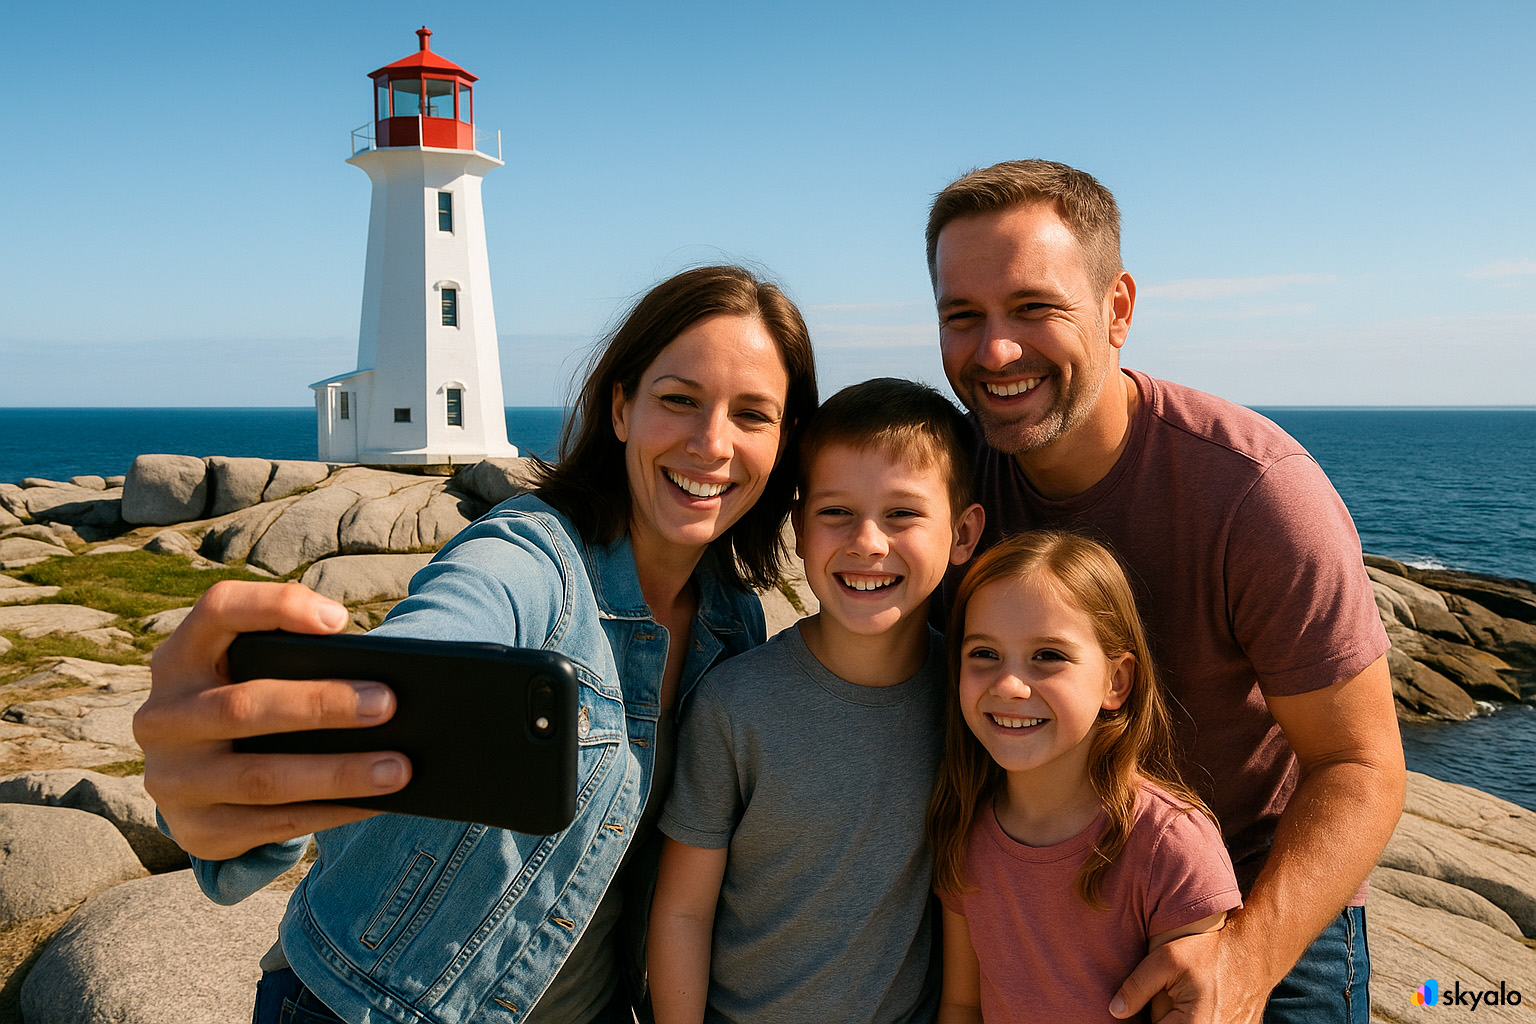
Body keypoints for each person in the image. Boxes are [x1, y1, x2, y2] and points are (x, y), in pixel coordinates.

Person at [133, 265, 820, 1024]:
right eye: (679, 400)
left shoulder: (733, 625)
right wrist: (228, 770)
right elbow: (436, 641)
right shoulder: (526, 561)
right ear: (622, 407)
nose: (711, 443)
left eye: (752, 415)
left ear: (785, 441)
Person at [925, 160, 1405, 1023]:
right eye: (963, 316)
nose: (994, 350)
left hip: (1251, 883)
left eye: (1034, 308)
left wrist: (1244, 964)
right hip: (1032, 876)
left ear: (1117, 309)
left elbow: (1362, 764)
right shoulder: (948, 486)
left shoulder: (1256, 493)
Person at [646, 378, 984, 1023]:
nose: (867, 542)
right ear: (799, 529)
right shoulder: (734, 704)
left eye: (903, 514)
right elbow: (683, 911)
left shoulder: (973, 703)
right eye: (835, 513)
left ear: (963, 534)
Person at [928, 530, 1242, 1024]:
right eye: (984, 654)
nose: (1009, 685)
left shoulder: (1170, 847)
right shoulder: (964, 825)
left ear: (1116, 681)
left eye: (1048, 656)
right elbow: (962, 1004)